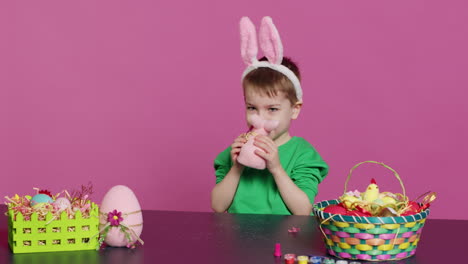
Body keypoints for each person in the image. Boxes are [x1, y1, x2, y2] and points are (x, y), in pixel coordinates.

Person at [211, 17, 328, 215]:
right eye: (252, 108)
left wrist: (276, 168)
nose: (259, 118)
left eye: (272, 109)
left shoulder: (303, 154)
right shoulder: (235, 151)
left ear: (295, 109)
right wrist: (237, 167)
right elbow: (217, 206)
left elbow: (303, 211)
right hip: (236, 240)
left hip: (284, 240)